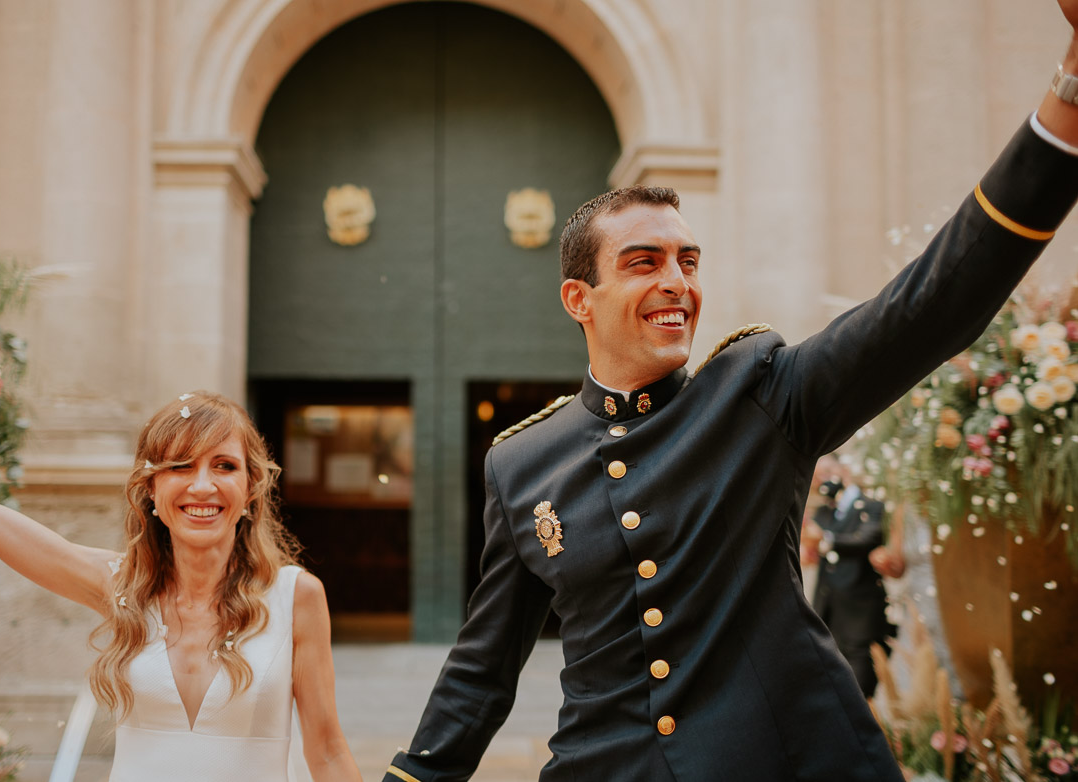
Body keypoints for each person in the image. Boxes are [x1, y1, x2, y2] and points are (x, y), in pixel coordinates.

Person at [384, 6, 1078, 780]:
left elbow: (929, 306)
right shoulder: (521, 465)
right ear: (578, 300)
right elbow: (481, 671)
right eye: (644, 262)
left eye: (688, 260)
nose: (676, 282)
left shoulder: (760, 395)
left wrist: (1071, 91)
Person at [0, 391, 362, 782]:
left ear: (250, 489)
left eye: (224, 465)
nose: (202, 486)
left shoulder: (295, 596)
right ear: (151, 490)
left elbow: (326, 751)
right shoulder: (121, 587)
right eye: (180, 466)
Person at [802, 455, 896, 697]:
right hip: (828, 606)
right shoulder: (821, 512)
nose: (821, 478)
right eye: (817, 475)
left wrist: (824, 540)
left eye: (826, 471)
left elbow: (866, 538)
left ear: (843, 469)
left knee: (860, 679)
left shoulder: (872, 505)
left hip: (860, 607)